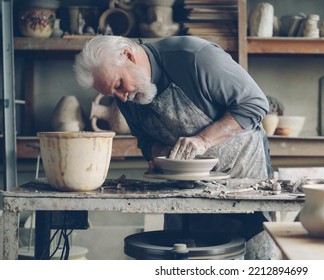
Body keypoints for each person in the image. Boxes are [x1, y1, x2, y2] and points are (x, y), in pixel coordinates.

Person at [74, 35, 275, 259]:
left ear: (129, 56)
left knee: (252, 263)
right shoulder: (127, 98)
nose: (122, 97)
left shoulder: (195, 58)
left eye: (119, 84)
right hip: (184, 196)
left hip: (242, 187)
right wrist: (159, 154)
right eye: (113, 94)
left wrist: (203, 140)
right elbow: (144, 140)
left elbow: (255, 104)